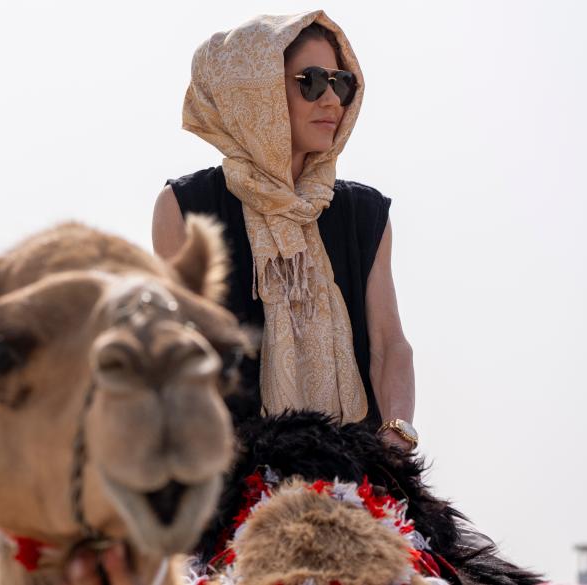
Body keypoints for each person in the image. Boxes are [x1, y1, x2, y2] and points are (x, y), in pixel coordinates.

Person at [64, 10, 416, 585]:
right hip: (234, 476)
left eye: (342, 81)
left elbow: (389, 344)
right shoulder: (185, 207)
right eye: (310, 82)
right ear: (254, 92)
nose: (332, 99)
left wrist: (395, 441)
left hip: (360, 470)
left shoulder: (365, 211)